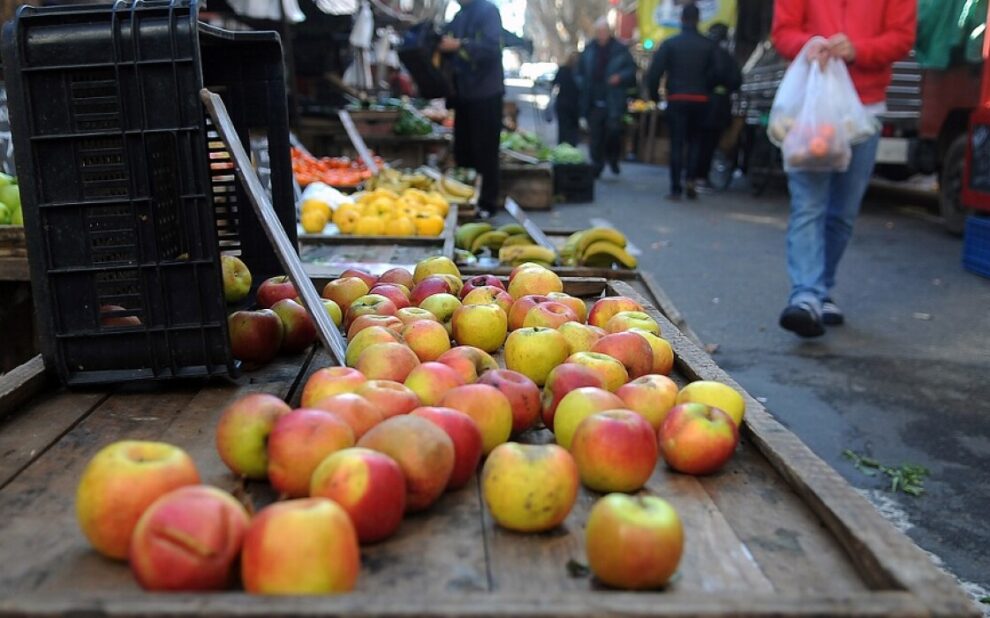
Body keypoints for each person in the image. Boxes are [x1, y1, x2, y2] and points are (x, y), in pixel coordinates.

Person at [772, 0, 916, 337]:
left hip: (863, 111)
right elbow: (783, 31)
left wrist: (858, 49)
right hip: (810, 107)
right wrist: (809, 45)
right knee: (808, 205)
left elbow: (902, 36)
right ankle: (806, 295)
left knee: (843, 213)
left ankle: (821, 288)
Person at [440, 0, 504, 217]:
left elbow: (491, 48)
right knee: (463, 152)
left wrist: (459, 45)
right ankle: (466, 202)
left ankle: (487, 203)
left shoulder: (488, 11)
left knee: (485, 151)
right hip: (463, 96)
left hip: (486, 94)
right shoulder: (459, 16)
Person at [646, 4, 716, 200]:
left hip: (677, 98)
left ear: (681, 19)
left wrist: (654, 97)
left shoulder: (671, 44)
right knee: (695, 142)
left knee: (677, 143)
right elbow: (718, 73)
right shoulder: (708, 45)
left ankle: (676, 187)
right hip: (700, 99)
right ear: (698, 19)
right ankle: (691, 179)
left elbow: (654, 73)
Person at [578, 18, 637, 177]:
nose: (602, 34)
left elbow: (631, 70)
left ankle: (613, 158)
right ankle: (597, 164)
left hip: (613, 99)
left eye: (604, 31)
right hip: (593, 99)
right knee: (595, 135)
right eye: (599, 31)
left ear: (609, 32)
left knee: (613, 131)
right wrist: (583, 85)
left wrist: (620, 77)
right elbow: (580, 72)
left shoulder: (620, 49)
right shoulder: (589, 49)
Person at [696, 23, 741, 190]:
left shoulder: (702, 53)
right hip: (719, 106)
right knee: (709, 143)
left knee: (697, 142)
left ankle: (692, 176)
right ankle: (701, 176)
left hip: (700, 103)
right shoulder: (726, 56)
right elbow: (736, 80)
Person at [552, 52, 581, 146]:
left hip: (566, 103)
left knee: (564, 128)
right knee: (572, 128)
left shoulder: (565, 70)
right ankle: (569, 146)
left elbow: (554, 83)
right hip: (572, 104)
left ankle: (564, 146)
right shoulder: (577, 71)